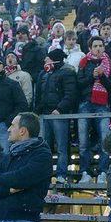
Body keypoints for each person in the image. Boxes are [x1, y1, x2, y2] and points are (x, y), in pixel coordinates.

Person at [34, 47, 77, 183]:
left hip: (59, 114)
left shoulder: (67, 72)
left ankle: (61, 174)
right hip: (45, 114)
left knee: (61, 146)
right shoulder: (45, 74)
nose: (45, 60)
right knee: (44, 146)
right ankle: (44, 175)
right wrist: (37, 111)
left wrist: (59, 108)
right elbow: (40, 95)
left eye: (47, 58)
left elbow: (70, 94)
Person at [76, 36, 111, 183]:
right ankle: (85, 172)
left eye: (100, 46)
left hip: (103, 104)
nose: (98, 48)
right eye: (95, 46)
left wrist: (102, 77)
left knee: (105, 139)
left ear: (104, 47)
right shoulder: (84, 62)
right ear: (90, 48)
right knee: (83, 141)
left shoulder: (110, 63)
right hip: (85, 103)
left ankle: (103, 171)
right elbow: (79, 84)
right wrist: (92, 77)